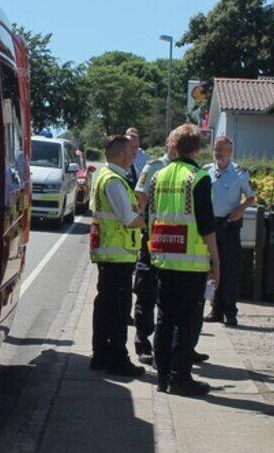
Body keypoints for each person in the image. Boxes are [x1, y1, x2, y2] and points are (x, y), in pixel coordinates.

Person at [149, 124, 220, 395]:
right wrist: (216, 261)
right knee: (187, 322)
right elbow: (206, 225)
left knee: (164, 319)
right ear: (198, 149)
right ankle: (181, 377)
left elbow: (151, 219)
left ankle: (163, 376)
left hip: (164, 258)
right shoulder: (199, 178)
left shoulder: (159, 176)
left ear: (174, 147)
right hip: (191, 262)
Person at [134, 131, 209, 366]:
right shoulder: (156, 168)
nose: (172, 146)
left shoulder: (193, 172)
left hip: (179, 246)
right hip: (157, 240)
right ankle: (145, 344)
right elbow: (140, 197)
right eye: (170, 142)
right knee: (148, 295)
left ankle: (182, 349)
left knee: (175, 308)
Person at [88, 134, 146, 378]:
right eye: (131, 151)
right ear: (122, 155)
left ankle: (101, 354)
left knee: (104, 306)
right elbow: (129, 219)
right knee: (118, 310)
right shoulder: (114, 181)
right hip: (118, 255)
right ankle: (117, 358)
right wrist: (151, 225)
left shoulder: (104, 175)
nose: (134, 154)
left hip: (109, 253)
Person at [206, 136, 255, 327]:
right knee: (212, 269)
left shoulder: (240, 173)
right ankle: (215, 309)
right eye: (216, 149)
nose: (218, 153)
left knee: (230, 270)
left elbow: (251, 197)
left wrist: (240, 209)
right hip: (211, 225)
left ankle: (230, 311)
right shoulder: (206, 171)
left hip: (229, 224)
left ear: (230, 151)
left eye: (222, 150)